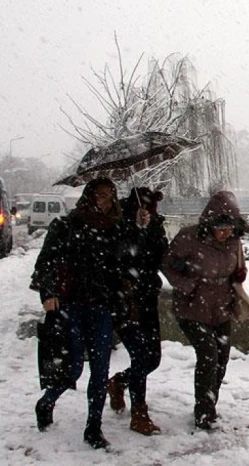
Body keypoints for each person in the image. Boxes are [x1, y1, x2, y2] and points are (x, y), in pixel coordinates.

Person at [30, 177, 128, 450]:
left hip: (101, 306)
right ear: (88, 196)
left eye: (109, 196)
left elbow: (122, 265)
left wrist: (142, 224)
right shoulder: (66, 225)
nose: (104, 201)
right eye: (99, 195)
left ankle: (93, 427)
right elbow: (45, 262)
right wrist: (48, 294)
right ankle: (46, 402)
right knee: (72, 367)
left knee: (100, 369)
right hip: (70, 305)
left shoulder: (115, 229)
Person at [162, 190, 249, 430]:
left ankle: (210, 404)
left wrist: (239, 278)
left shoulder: (233, 241)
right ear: (209, 224)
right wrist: (187, 285)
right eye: (221, 228)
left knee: (222, 357)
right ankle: (203, 411)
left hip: (221, 307)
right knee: (208, 354)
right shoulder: (188, 237)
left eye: (230, 229)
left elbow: (238, 268)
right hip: (192, 307)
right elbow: (167, 263)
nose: (225, 233)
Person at [107, 187, 168, 436]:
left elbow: (160, 257)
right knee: (141, 356)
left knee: (153, 358)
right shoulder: (117, 226)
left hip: (148, 300)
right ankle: (139, 414)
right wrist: (133, 230)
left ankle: (119, 381)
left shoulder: (155, 227)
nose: (147, 212)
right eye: (143, 207)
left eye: (151, 208)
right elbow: (115, 259)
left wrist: (149, 230)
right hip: (124, 303)